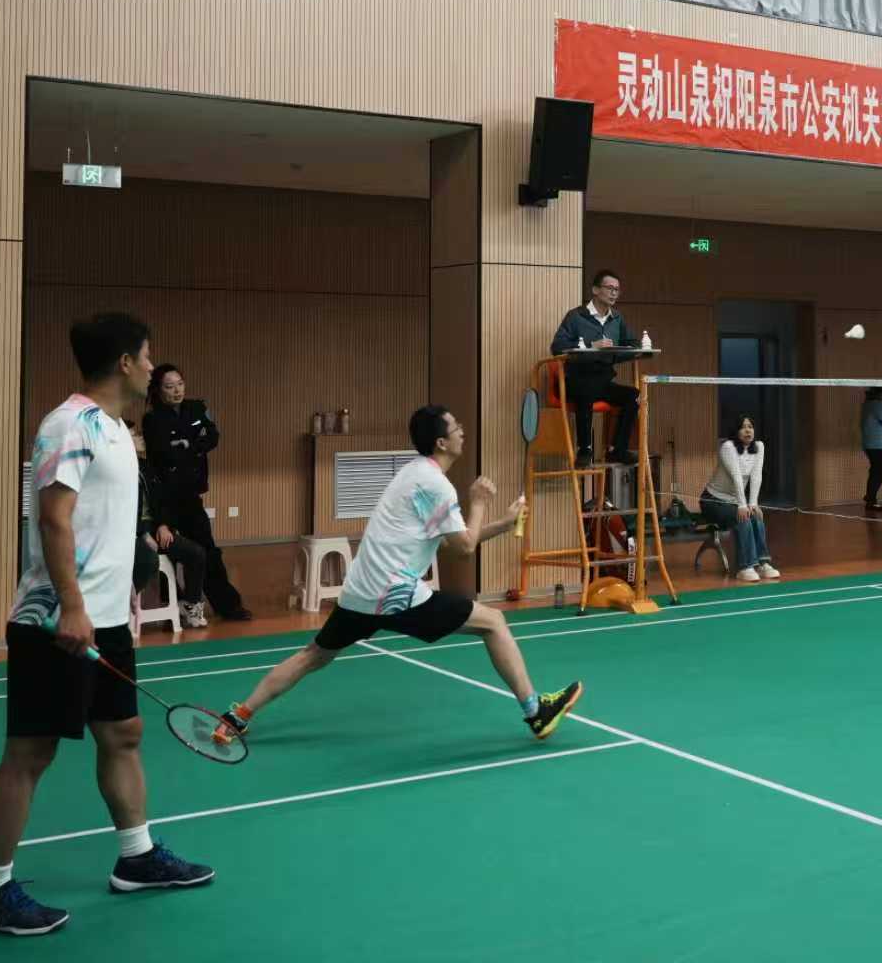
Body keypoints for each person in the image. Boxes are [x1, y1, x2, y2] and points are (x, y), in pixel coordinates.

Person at [0, 313, 212, 936]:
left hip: (105, 620)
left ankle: (137, 857)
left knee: (123, 733)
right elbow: (53, 518)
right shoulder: (69, 425)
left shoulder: (118, 430)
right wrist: (72, 606)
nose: (154, 368)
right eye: (147, 357)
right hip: (55, 621)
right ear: (125, 362)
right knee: (30, 752)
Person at [213, 405, 582, 746]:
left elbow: (451, 540)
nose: (462, 431)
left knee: (313, 655)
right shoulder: (436, 485)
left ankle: (238, 715)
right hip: (394, 595)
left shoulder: (414, 473)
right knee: (494, 622)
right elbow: (466, 547)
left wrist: (502, 523)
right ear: (441, 442)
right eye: (456, 427)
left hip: (360, 592)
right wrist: (479, 503)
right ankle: (536, 711)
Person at [143, 364, 250, 621]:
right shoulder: (152, 419)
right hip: (165, 498)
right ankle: (175, 607)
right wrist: (191, 444)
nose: (177, 390)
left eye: (180, 384)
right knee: (167, 554)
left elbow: (212, 436)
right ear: (158, 390)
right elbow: (165, 454)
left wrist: (188, 444)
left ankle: (228, 606)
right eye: (170, 386)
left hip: (191, 496)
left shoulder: (197, 408)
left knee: (209, 551)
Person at [549, 270, 641, 468]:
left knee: (634, 396)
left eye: (617, 289)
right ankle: (584, 450)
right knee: (586, 390)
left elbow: (633, 344)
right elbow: (557, 347)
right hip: (575, 379)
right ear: (595, 290)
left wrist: (618, 351)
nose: (614, 293)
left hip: (602, 381)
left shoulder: (616, 318)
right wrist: (593, 346)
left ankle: (618, 450)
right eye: (610, 288)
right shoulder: (576, 316)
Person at [126, 419, 209, 629]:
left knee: (196, 553)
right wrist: (142, 533)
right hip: (131, 535)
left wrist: (163, 525)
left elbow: (161, 501)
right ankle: (127, 607)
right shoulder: (118, 471)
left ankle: (190, 605)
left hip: (154, 530)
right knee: (149, 560)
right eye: (135, 435)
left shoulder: (145, 467)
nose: (140, 438)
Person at [702, 414, 776, 582]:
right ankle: (745, 566)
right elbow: (736, 476)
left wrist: (753, 504)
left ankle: (763, 563)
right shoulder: (728, 447)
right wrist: (743, 506)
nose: (748, 430)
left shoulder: (759, 447)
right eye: (743, 427)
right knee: (743, 517)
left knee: (755, 515)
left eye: (750, 427)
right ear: (736, 431)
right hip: (713, 501)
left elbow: (756, 476)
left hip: (735, 501)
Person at [861, 388, 882, 512]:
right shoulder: (877, 405)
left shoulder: (866, 404)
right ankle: (870, 498)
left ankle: (870, 499)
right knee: (880, 470)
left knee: (875, 470)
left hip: (869, 444)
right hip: (877, 445)